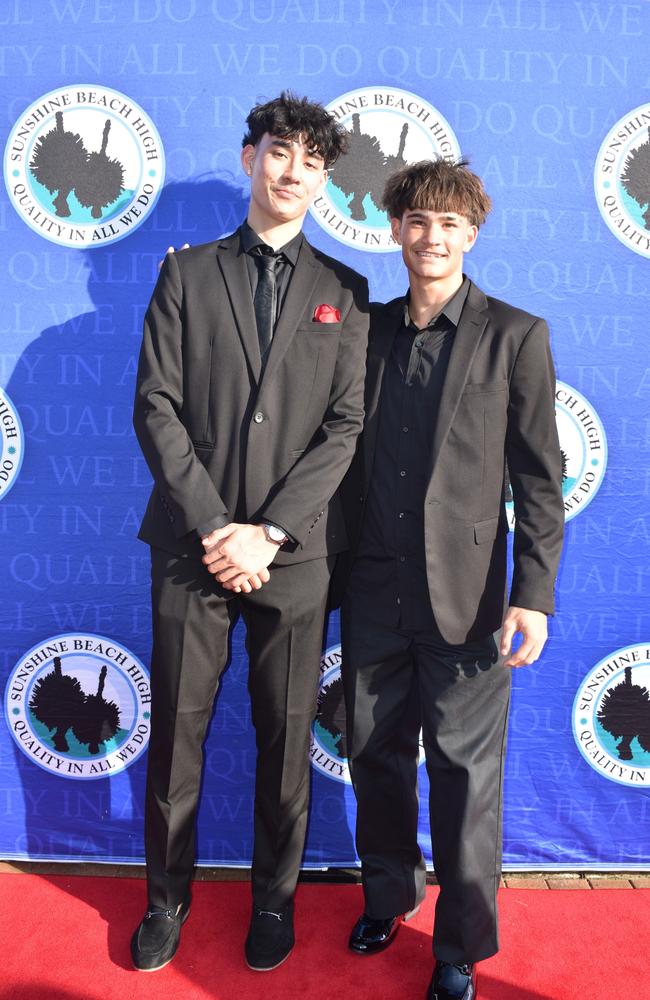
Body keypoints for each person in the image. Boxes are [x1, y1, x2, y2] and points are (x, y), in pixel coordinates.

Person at [131, 92, 369, 974]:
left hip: (296, 556)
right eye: (280, 152)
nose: (294, 171)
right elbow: (155, 404)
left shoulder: (345, 293)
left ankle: (274, 903)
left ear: (325, 180)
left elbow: (343, 427)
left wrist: (266, 530)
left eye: (312, 161)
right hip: (190, 553)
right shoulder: (185, 274)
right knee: (179, 735)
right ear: (249, 159)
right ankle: (165, 902)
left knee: (285, 739)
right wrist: (213, 527)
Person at [340, 159, 564, 1000]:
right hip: (371, 591)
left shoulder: (516, 335)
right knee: (376, 755)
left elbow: (540, 481)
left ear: (472, 233)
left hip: (470, 602)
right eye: (417, 221)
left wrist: (533, 594)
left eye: (449, 223)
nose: (432, 237)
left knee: (466, 778)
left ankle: (460, 947)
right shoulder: (365, 331)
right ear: (394, 230)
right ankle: (389, 897)